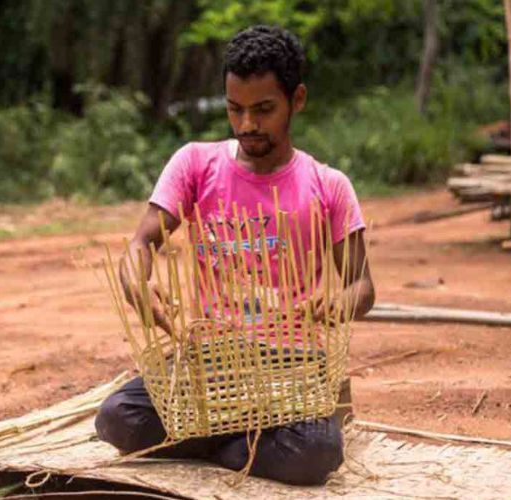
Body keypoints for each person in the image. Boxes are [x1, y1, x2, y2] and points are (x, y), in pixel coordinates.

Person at [95, 25, 375, 486]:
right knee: (117, 418)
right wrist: (138, 285)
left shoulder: (329, 185)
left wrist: (341, 302)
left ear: (296, 100)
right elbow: (142, 243)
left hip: (294, 363)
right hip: (210, 363)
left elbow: (363, 286)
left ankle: (211, 439)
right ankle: (241, 441)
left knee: (318, 452)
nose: (247, 125)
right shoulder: (195, 163)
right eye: (235, 109)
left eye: (263, 110)